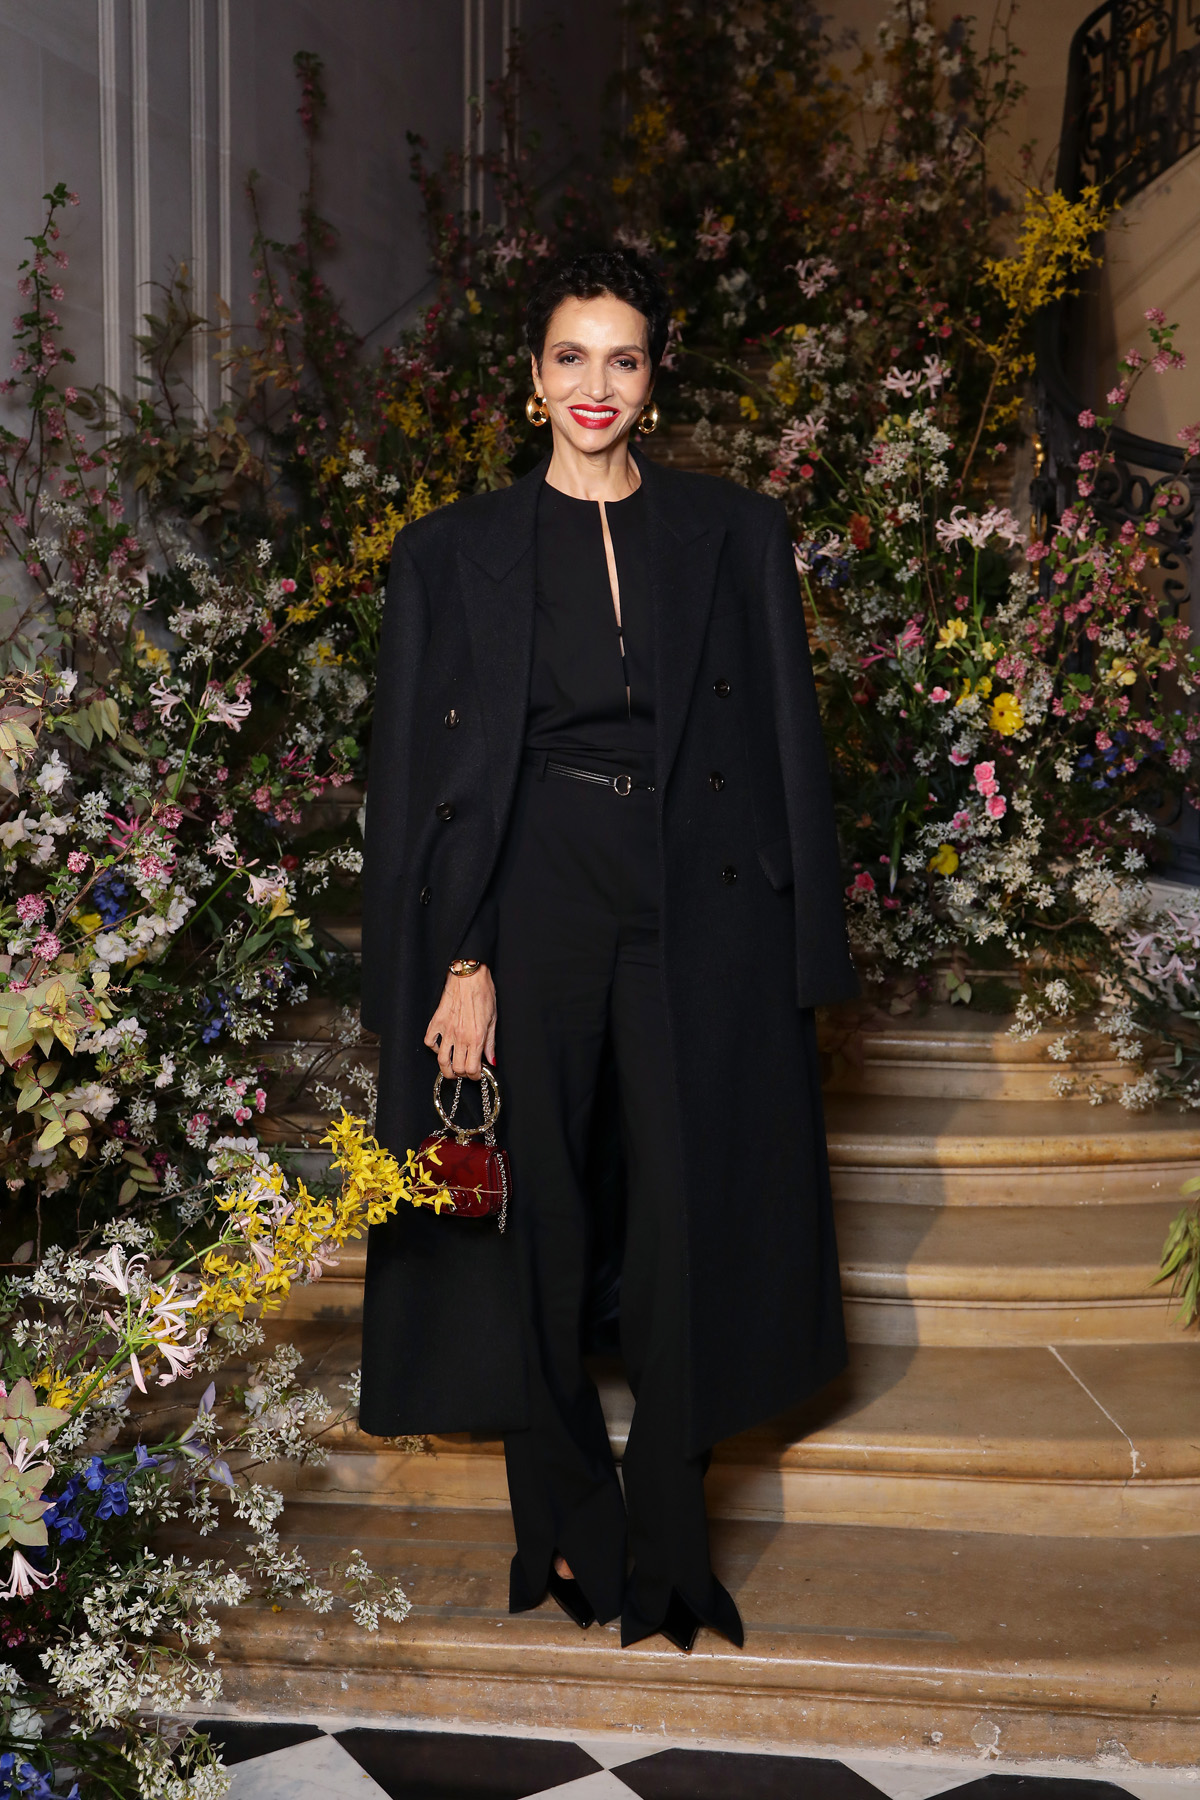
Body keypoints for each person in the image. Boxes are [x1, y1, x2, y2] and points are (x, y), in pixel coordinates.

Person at [358, 247, 857, 1654]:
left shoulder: (736, 533)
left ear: (657, 378)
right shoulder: (451, 553)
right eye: (571, 357)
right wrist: (456, 961)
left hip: (703, 899)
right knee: (542, 1213)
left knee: (694, 1210)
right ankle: (565, 1515)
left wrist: (800, 950)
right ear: (532, 381)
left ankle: (670, 1529)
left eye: (623, 358)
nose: (596, 385)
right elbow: (418, 777)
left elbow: (786, 754)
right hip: (534, 898)